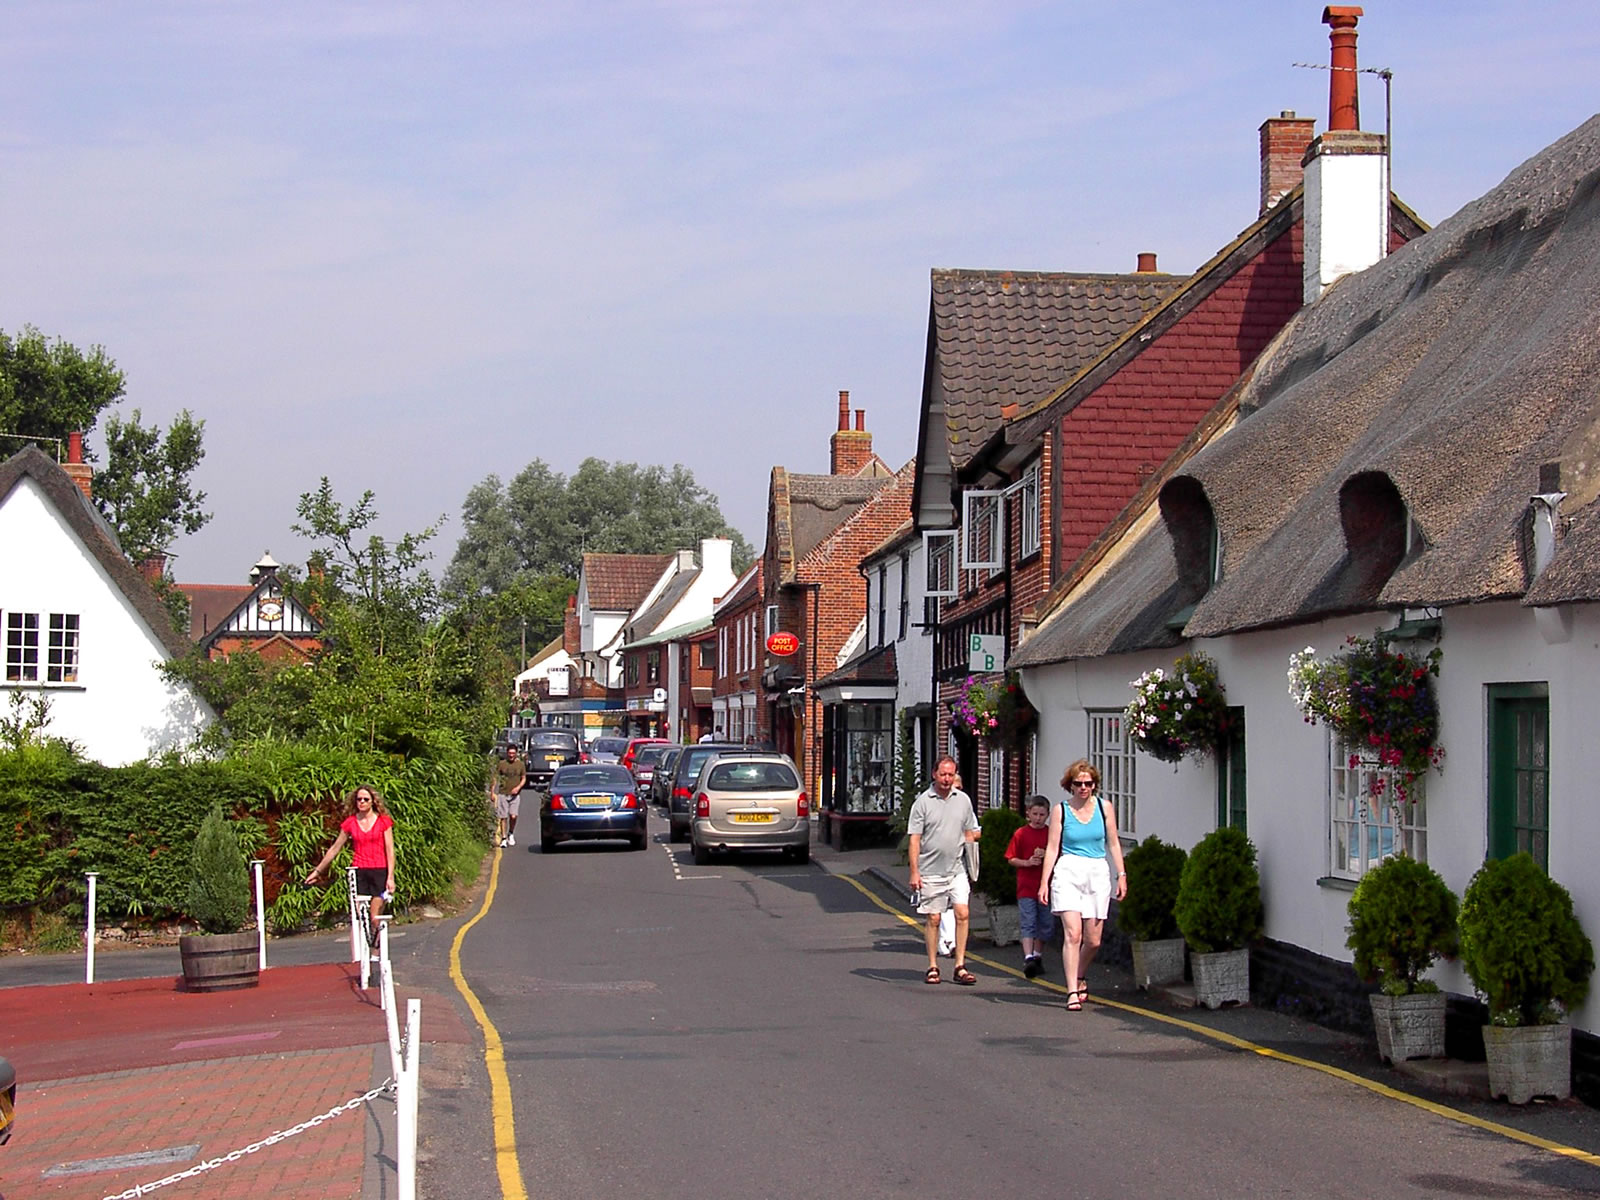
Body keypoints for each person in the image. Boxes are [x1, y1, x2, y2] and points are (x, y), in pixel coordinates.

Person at [1038, 760, 1126, 1010]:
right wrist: (1045, 882)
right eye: (1078, 784)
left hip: (1097, 871)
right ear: (1070, 785)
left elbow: (1114, 843)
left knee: (1094, 940)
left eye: (1088, 784)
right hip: (1068, 870)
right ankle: (1072, 992)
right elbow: (1052, 848)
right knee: (1073, 934)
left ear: (1095, 785)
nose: (1083, 788)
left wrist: (1121, 874)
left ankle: (1078, 973)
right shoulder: (1061, 810)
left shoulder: (1104, 807)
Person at [908, 756, 980, 986]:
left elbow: (972, 830)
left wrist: (969, 848)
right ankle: (932, 965)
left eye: (951, 775)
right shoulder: (923, 802)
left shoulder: (963, 800)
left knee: (963, 913)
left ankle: (959, 965)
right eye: (943, 774)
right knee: (934, 918)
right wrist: (914, 872)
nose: (947, 779)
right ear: (934, 774)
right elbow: (914, 840)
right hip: (930, 870)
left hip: (956, 868)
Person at [305, 786, 395, 949]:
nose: (362, 802)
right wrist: (318, 871)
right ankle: (362, 955)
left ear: (372, 801)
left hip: (379, 871)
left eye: (365, 799)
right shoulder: (351, 823)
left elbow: (390, 849)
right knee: (361, 916)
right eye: (359, 799)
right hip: (359, 871)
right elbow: (335, 848)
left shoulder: (383, 821)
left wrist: (390, 877)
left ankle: (377, 952)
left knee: (375, 916)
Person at [1006, 795, 1055, 977]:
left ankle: (1037, 954)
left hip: (1046, 886)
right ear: (1028, 814)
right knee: (1028, 922)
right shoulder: (1021, 833)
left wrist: (1047, 854)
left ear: (1048, 815)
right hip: (1026, 886)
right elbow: (1011, 858)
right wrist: (1027, 863)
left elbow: (1059, 855)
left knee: (1046, 924)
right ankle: (1028, 958)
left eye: (1042, 814)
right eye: (1034, 814)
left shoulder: (1051, 834)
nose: (1038, 818)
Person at [491, 744, 526, 848]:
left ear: (516, 754)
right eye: (510, 753)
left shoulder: (520, 765)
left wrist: (518, 788)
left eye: (513, 753)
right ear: (507, 753)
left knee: (513, 815)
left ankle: (511, 832)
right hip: (503, 793)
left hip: (515, 795)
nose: (511, 755)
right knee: (503, 816)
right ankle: (504, 837)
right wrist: (492, 792)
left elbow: (524, 778)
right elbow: (495, 778)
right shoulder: (502, 764)